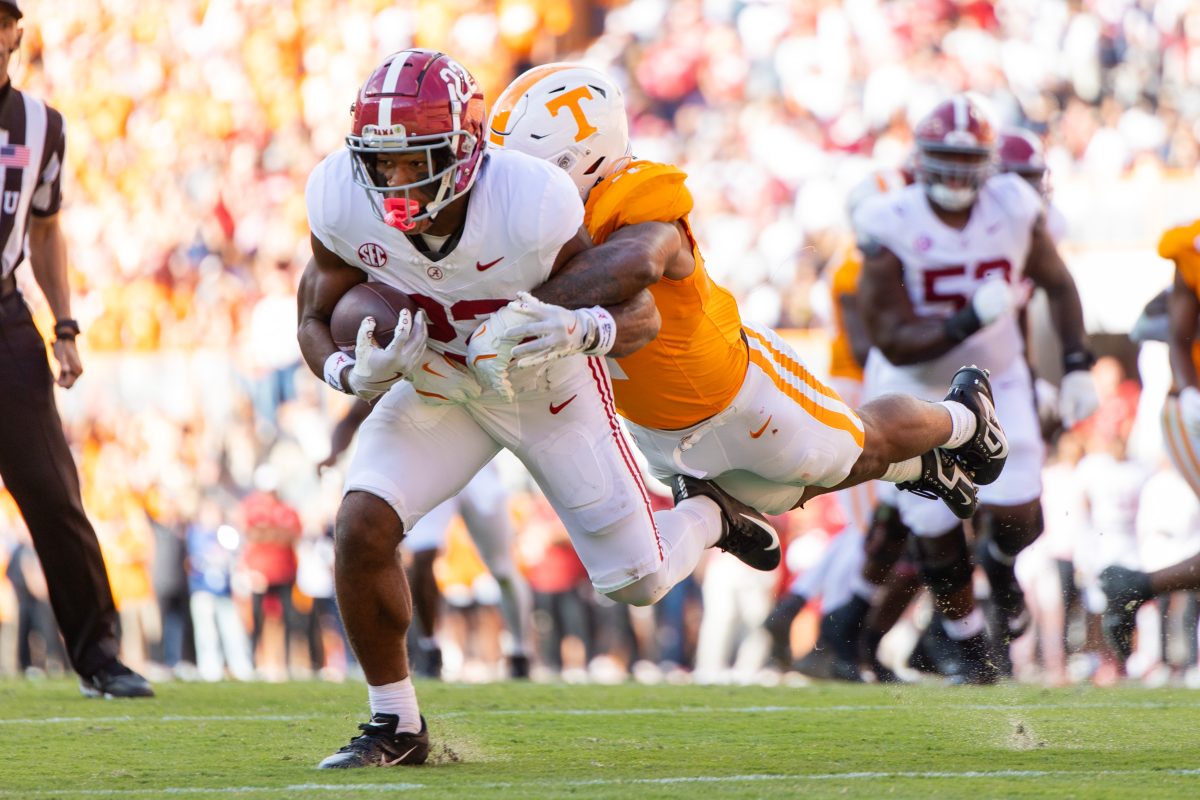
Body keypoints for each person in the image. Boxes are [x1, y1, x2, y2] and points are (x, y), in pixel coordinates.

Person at [298, 49, 775, 768]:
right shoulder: (338, 194)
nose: (394, 181)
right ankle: (396, 724)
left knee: (638, 581)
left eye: (414, 159)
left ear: (464, 148)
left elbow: (637, 309)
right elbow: (312, 315)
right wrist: (346, 369)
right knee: (361, 525)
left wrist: (580, 327)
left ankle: (710, 513)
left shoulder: (532, 200)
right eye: (381, 161)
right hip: (440, 386)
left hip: (544, 385)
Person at [478, 63, 1006, 531]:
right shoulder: (542, 223)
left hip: (739, 389)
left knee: (851, 448)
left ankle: (962, 416)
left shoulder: (636, 195)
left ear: (585, 158)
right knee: (780, 494)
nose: (516, 187)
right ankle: (924, 468)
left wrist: (515, 309)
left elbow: (632, 264)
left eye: (531, 169)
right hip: (658, 425)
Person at [853, 95, 1098, 682]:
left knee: (1018, 509)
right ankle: (968, 645)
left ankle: (1001, 571)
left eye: (969, 162)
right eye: (944, 159)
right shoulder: (891, 220)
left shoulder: (1013, 207)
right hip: (913, 382)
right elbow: (892, 338)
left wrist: (1077, 363)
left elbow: (1059, 285)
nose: (957, 175)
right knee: (934, 525)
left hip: (997, 376)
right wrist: (966, 319)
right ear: (920, 159)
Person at [0, 1, 152, 698]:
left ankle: (98, 656)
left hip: (5, 316)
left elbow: (46, 229)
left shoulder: (40, 124)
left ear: (15, 34)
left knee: (55, 493)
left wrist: (64, 324)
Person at [1101, 217, 1200, 656]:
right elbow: (1178, 336)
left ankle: (1134, 586)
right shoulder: (1191, 245)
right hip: (1192, 410)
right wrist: (1193, 392)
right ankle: (1133, 586)